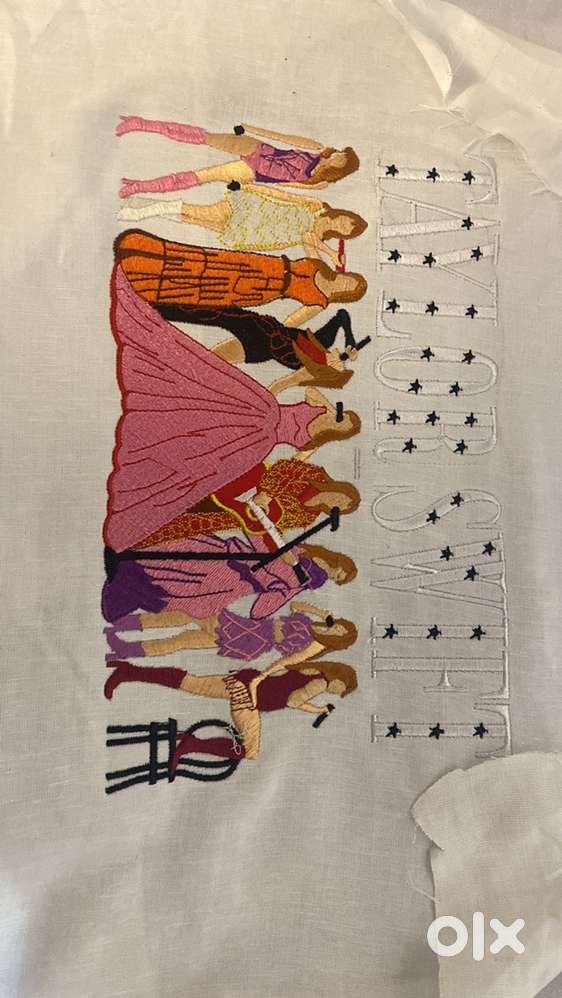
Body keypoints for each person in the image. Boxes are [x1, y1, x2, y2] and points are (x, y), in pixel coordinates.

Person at [104, 266, 361, 552]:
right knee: (201, 379)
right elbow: (297, 386)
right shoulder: (318, 407)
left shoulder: (313, 445)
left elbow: (287, 467)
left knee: (197, 458)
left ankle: (152, 446)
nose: (338, 420)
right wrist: (327, 405)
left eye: (342, 424)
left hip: (255, 442)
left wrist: (267, 494)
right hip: (260, 409)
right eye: (343, 418)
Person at [104, 655, 358, 764]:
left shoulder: (312, 668)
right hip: (250, 700)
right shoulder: (320, 682)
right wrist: (317, 710)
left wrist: (317, 709)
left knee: (192, 683)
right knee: (250, 751)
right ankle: (192, 745)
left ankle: (129, 671)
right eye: (341, 688)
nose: (337, 692)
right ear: (339, 679)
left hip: (244, 680)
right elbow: (294, 701)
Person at [114, 229, 367, 328]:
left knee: (206, 285)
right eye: (349, 279)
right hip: (260, 264)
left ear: (345, 294)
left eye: (349, 287)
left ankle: (142, 282)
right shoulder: (322, 266)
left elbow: (291, 322)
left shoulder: (320, 302)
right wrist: (331, 253)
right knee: (206, 260)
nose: (345, 282)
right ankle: (142, 254)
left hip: (262, 288)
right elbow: (308, 237)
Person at [102, 534, 357, 624]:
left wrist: (282, 583)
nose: (331, 575)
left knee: (181, 584)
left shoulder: (300, 582)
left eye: (337, 579)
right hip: (231, 555)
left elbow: (259, 611)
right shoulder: (301, 550)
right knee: (181, 553)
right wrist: (280, 554)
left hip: (232, 582)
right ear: (336, 560)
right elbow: (259, 536)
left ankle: (123, 581)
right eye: (338, 572)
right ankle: (124, 558)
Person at [135, 458, 360, 550]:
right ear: (339, 488)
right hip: (246, 484)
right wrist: (267, 494)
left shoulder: (308, 517)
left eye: (343, 507)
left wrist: (278, 549)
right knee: (189, 495)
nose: (338, 503)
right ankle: (141, 497)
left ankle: (135, 537)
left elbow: (275, 527)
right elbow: (283, 467)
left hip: (242, 514)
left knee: (189, 525)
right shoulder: (315, 475)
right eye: (342, 498)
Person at [115, 116, 360, 196]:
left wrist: (246, 188)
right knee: (204, 137)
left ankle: (138, 187)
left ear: (342, 167)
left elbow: (284, 188)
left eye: (343, 158)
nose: (339, 154)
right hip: (258, 149)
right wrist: (250, 129)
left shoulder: (320, 183)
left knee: (202, 176)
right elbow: (282, 138)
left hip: (255, 173)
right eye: (342, 152)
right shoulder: (317, 147)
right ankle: (139, 124)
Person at [119, 184, 367, 261]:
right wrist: (254, 188)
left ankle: (145, 206)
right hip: (252, 211)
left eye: (347, 230)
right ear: (343, 215)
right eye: (348, 222)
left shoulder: (318, 238)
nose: (343, 226)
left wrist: (331, 257)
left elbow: (311, 252)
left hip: (254, 234)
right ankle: (142, 212)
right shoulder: (317, 207)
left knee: (194, 220)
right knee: (201, 212)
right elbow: (286, 196)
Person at [153, 304, 360, 393]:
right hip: (259, 328)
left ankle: (165, 372)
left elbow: (279, 383)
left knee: (210, 361)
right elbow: (342, 315)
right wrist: (350, 339)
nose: (342, 359)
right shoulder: (323, 342)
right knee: (217, 314)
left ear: (328, 371)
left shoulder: (306, 368)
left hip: (258, 347)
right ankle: (159, 309)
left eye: (340, 366)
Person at [104, 600, 357, 661]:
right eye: (340, 626)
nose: (336, 630)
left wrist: (281, 629)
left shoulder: (310, 644)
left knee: (185, 619)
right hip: (245, 633)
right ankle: (125, 647)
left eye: (340, 634)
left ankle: (125, 629)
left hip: (246, 634)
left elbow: (283, 641)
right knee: (183, 637)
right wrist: (322, 614)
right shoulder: (311, 625)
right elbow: (295, 605)